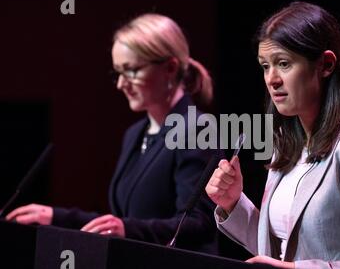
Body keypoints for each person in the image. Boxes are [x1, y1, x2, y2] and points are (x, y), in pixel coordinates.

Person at [205, 1, 340, 269]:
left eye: (283, 64)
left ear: (326, 64)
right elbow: (283, 252)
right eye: (265, 66)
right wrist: (233, 204)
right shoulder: (287, 142)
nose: (272, 79)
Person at [6, 13, 219, 254]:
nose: (121, 84)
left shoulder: (198, 129)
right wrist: (56, 216)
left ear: (169, 68)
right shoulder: (135, 134)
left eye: (131, 71)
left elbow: (199, 225)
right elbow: (121, 221)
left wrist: (125, 229)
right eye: (117, 72)